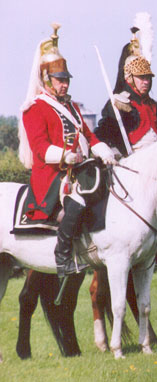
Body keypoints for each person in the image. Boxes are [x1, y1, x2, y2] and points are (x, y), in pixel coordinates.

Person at [19, 23, 116, 278]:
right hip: (51, 174)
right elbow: (39, 148)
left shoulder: (71, 106)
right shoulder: (34, 108)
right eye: (59, 80)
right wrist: (64, 155)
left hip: (77, 168)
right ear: (47, 80)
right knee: (79, 198)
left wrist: (102, 149)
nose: (64, 85)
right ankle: (62, 256)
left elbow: (88, 133)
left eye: (65, 80)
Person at [96, 13, 157, 157]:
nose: (146, 82)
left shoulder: (154, 106)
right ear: (130, 78)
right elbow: (104, 134)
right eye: (141, 78)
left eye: (148, 78)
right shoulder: (118, 102)